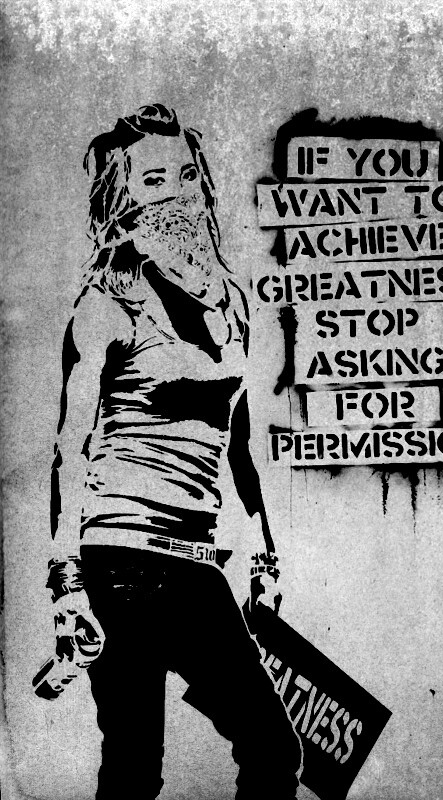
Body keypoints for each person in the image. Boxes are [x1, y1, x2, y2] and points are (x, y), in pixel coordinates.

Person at [45, 103, 303, 800]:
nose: (178, 196)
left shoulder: (233, 305)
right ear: (123, 198)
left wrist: (265, 558)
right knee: (135, 769)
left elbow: (238, 443)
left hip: (195, 563)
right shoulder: (105, 304)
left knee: (273, 749)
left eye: (187, 177)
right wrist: (67, 585)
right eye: (155, 181)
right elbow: (70, 448)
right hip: (119, 565)